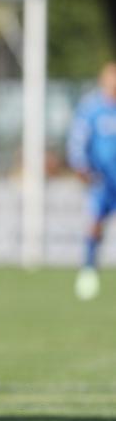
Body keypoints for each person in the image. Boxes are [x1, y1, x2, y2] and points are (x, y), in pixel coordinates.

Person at [67, 62, 116, 301]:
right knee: (95, 223)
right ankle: (88, 269)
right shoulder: (92, 108)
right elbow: (77, 140)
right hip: (102, 180)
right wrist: (81, 167)